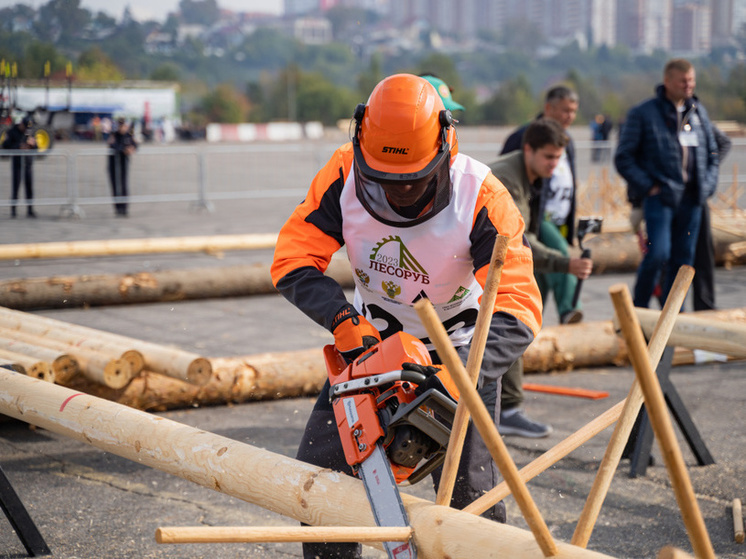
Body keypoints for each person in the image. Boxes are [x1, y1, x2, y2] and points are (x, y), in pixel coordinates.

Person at [270, 73, 542, 559]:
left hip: (459, 355)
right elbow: (292, 260)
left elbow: (518, 306)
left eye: (413, 181)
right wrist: (342, 320)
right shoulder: (342, 174)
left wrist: (460, 377)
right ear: (360, 144)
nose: (398, 194)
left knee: (470, 507)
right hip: (372, 348)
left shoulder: (481, 196)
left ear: (445, 146)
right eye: (385, 181)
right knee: (321, 484)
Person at [489, 118, 593, 439]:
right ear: (528, 150)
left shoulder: (534, 174)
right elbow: (518, 239)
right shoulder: (508, 177)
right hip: (482, 257)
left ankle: (500, 407)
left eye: (558, 158)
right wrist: (565, 264)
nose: (554, 164)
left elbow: (529, 232)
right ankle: (507, 410)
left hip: (493, 254)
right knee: (511, 320)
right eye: (549, 157)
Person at [615, 59, 719, 309]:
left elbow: (712, 153)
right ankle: (638, 310)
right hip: (660, 199)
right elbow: (623, 157)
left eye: (692, 80)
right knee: (658, 254)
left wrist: (706, 186)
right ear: (668, 82)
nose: (689, 85)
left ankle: (673, 315)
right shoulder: (644, 113)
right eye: (683, 81)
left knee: (684, 260)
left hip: (692, 200)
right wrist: (649, 186)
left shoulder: (697, 112)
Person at [500, 85, 582, 324]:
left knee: (540, 275)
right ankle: (569, 308)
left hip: (552, 216)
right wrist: (566, 264)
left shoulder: (567, 141)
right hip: (532, 217)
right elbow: (519, 237)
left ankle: (534, 323)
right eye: (565, 110)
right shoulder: (523, 139)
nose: (570, 116)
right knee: (557, 255)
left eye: (573, 111)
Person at [107, 117, 137, 217]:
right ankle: (118, 208)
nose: (122, 128)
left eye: (123, 125)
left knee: (124, 185)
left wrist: (132, 148)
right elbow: (114, 146)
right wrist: (124, 149)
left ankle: (124, 208)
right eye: (120, 126)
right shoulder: (114, 135)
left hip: (123, 163)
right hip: (113, 164)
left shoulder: (128, 135)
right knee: (115, 186)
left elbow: (134, 144)